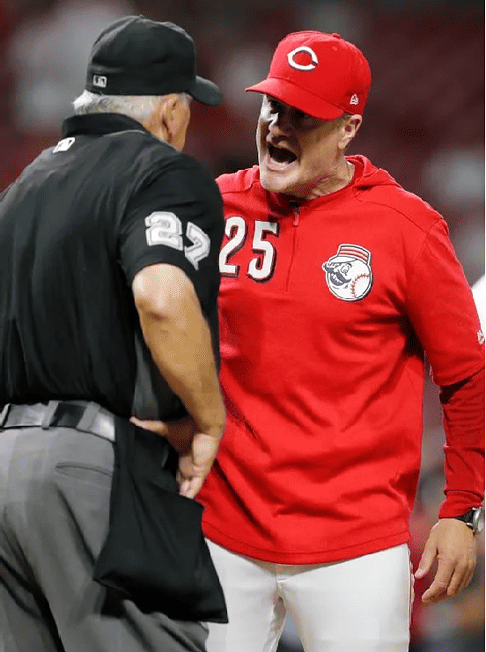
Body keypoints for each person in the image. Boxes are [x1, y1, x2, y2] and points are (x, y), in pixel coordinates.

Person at [197, 30, 485, 652]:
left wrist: (462, 508)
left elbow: (465, 375)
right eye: (273, 106)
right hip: (220, 529)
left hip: (355, 543)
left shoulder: (407, 229)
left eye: (304, 116)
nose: (279, 126)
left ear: (348, 129)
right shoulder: (214, 208)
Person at [0, 16, 227, 652]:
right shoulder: (161, 171)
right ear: (171, 109)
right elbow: (162, 296)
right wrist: (208, 418)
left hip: (4, 469)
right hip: (97, 469)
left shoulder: (20, 187)